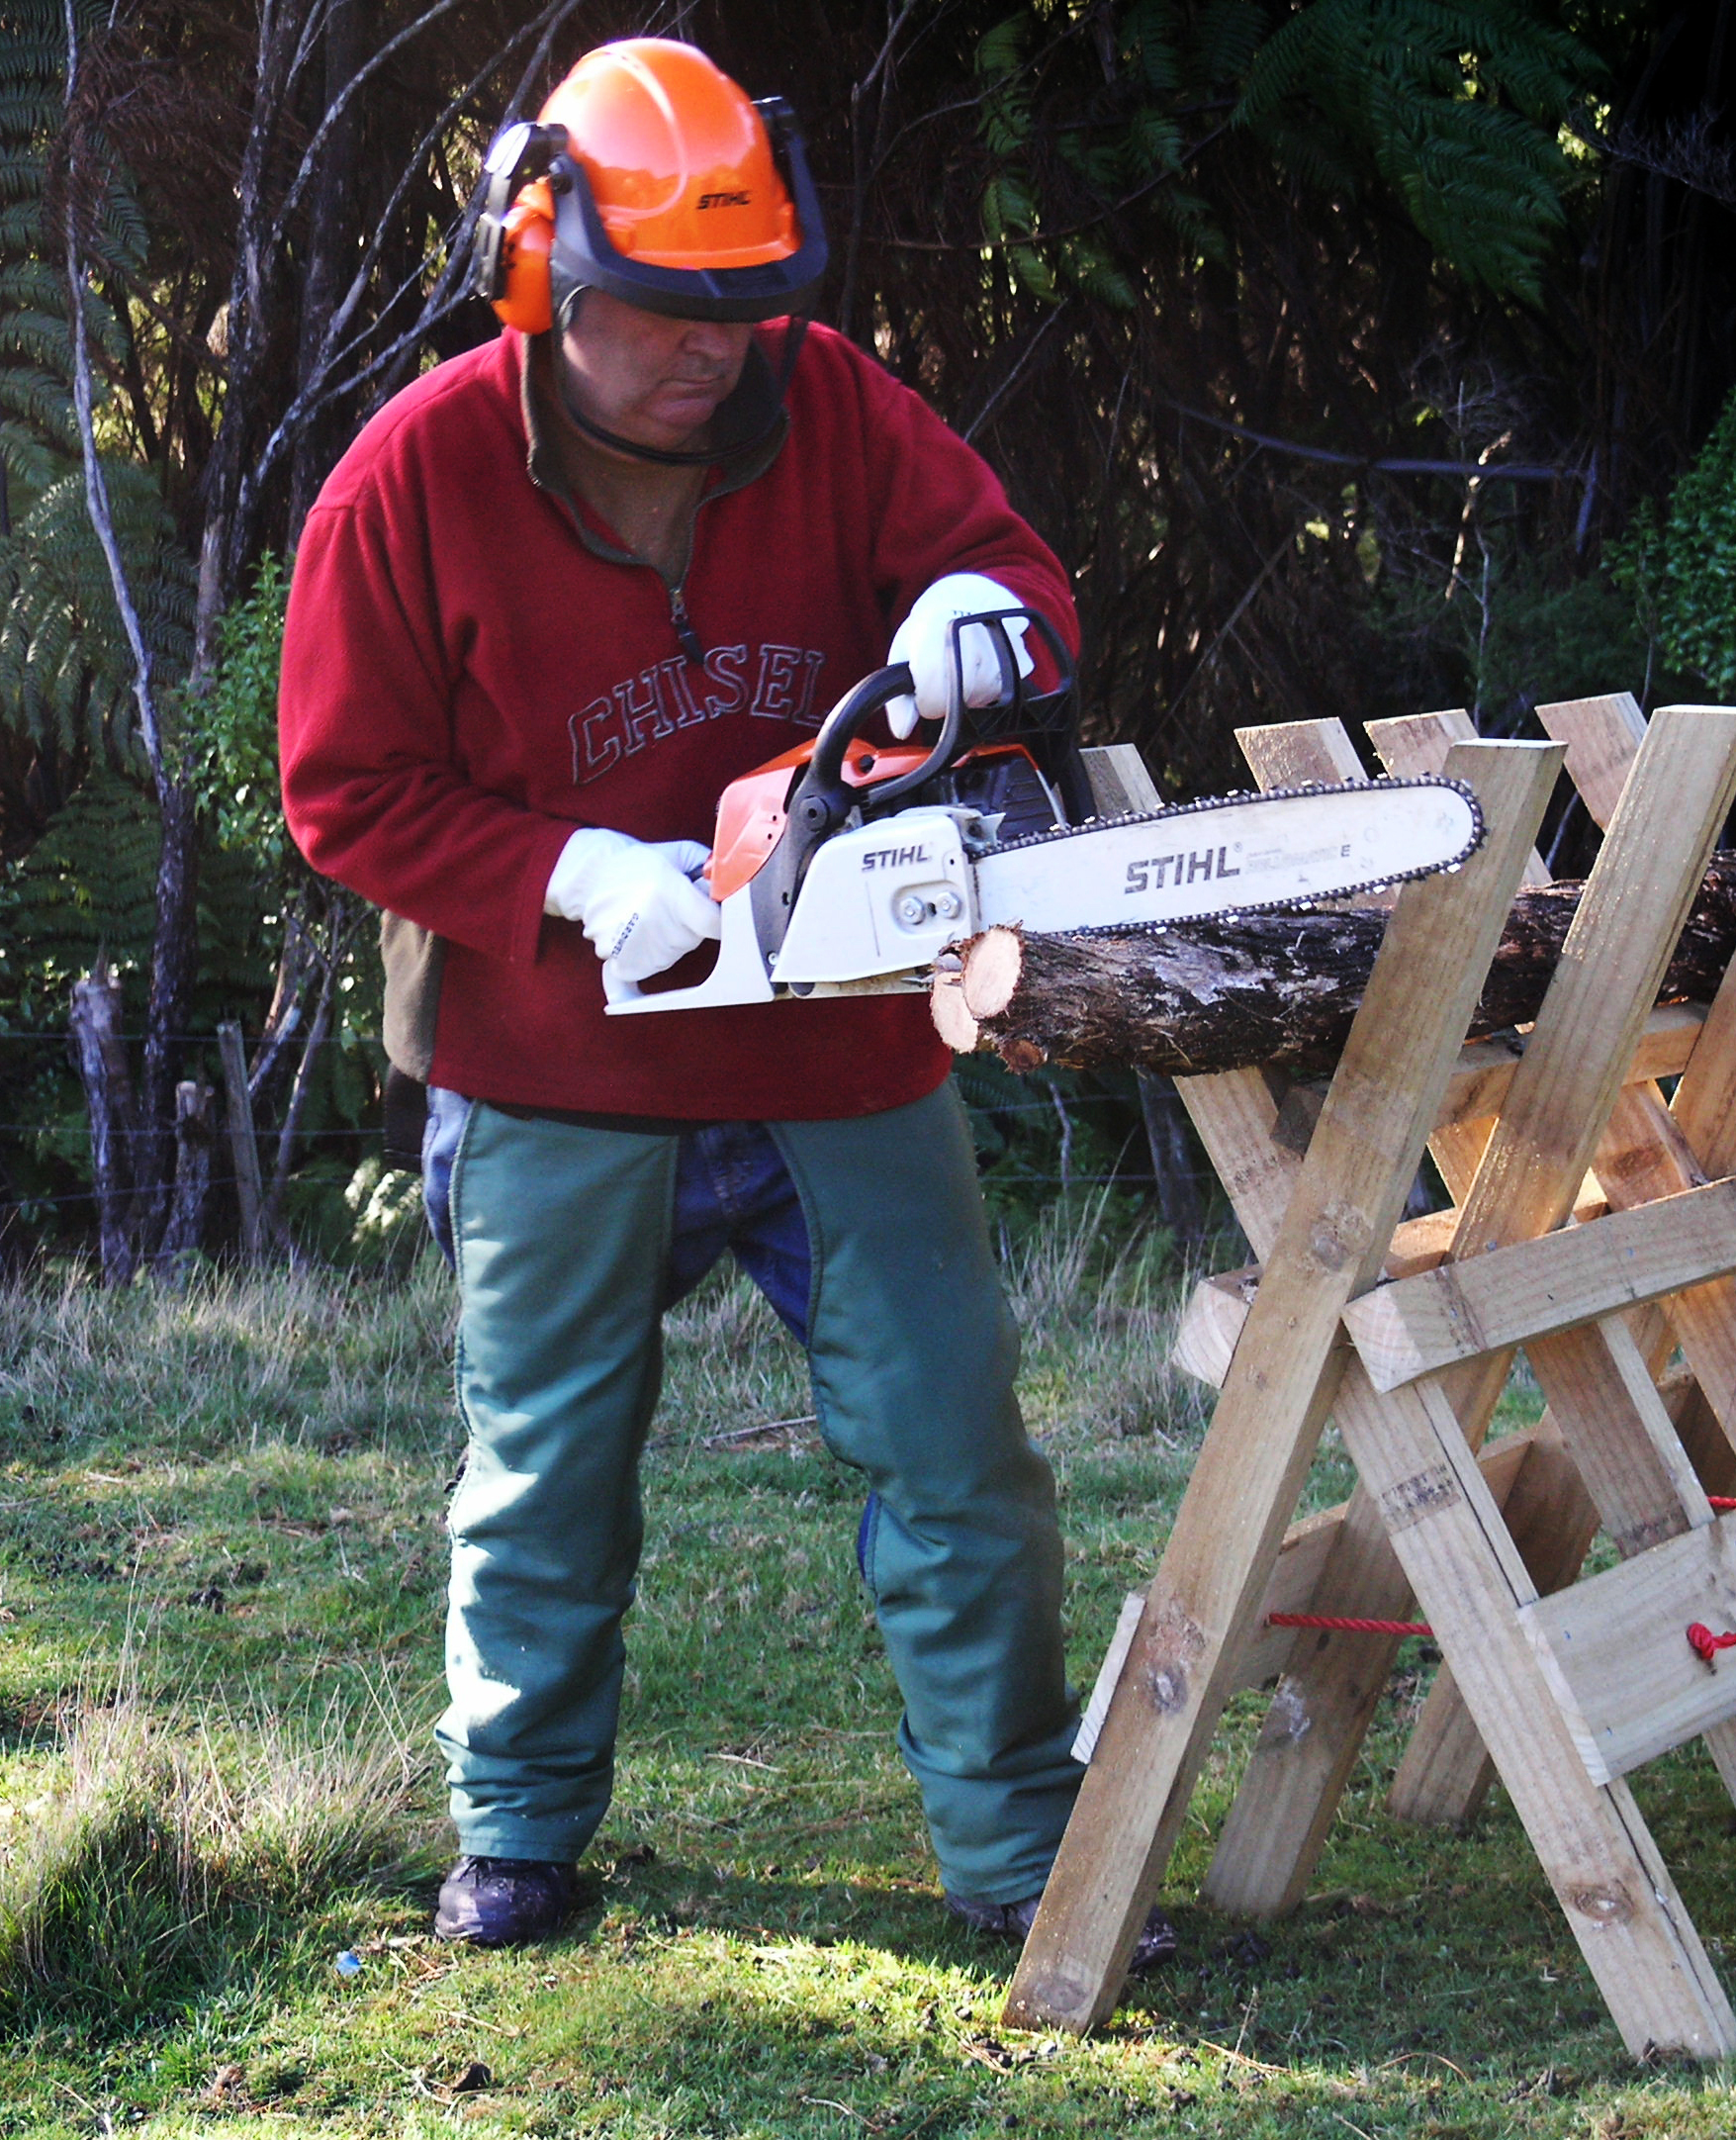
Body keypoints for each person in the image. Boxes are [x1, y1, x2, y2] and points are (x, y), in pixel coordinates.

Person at [278, 37, 1167, 1968]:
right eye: (670, 317)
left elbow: (1021, 584)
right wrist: (564, 880)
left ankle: (1019, 1845)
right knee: (547, 1460)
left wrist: (967, 639)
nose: (715, 353)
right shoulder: (406, 485)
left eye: (745, 310)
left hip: (837, 1042)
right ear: (544, 283)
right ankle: (517, 1831)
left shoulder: (832, 406)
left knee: (955, 1447)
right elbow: (342, 789)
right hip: (554, 1065)